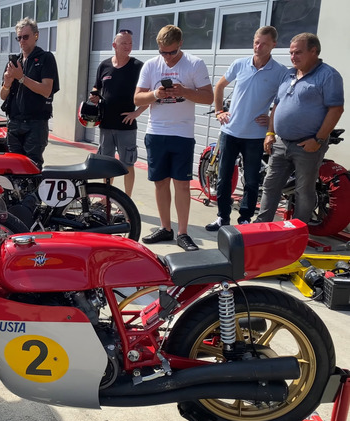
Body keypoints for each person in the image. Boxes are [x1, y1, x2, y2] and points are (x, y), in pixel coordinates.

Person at [133, 24, 213, 251]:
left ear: (181, 45)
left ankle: (183, 232)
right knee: (160, 183)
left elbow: (208, 97)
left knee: (182, 185)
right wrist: (156, 94)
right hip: (156, 132)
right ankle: (165, 228)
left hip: (182, 133)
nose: (167, 57)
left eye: (171, 52)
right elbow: (138, 99)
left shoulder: (194, 64)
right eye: (163, 52)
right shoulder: (151, 65)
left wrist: (184, 91)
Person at [255, 33, 344, 224]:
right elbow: (277, 105)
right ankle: (261, 228)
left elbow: (336, 109)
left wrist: (318, 140)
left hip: (308, 145)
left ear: (314, 51)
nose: (293, 57)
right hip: (281, 142)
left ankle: (297, 231)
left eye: (298, 52)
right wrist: (270, 133)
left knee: (303, 190)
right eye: (291, 53)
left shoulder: (328, 75)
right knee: (270, 186)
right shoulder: (288, 74)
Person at [206, 27, 288, 231]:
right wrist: (218, 112)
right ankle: (222, 217)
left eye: (264, 44)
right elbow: (219, 86)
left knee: (251, 180)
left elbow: (282, 101)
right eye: (256, 42)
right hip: (230, 132)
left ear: (273, 45)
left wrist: (271, 120)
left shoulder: (280, 72)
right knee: (224, 178)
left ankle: (244, 219)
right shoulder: (240, 64)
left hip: (255, 136)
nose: (258, 47)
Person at [89, 29, 146, 196]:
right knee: (106, 164)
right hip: (106, 124)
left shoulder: (137, 66)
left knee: (128, 163)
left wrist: (136, 113)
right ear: (114, 45)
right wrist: (94, 96)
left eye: (130, 43)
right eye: (124, 43)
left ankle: (126, 200)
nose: (128, 46)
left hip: (126, 126)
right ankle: (106, 197)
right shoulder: (104, 65)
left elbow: (150, 94)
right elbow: (96, 87)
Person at [0, 17, 60, 169]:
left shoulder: (46, 58)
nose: (22, 41)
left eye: (25, 37)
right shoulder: (15, 62)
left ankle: (32, 194)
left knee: (32, 167)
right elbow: (2, 95)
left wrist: (21, 78)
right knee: (13, 166)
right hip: (14, 123)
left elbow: (46, 90)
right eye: (19, 37)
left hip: (35, 124)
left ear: (36, 35)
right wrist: (7, 84)